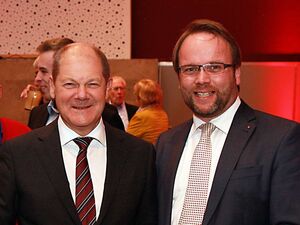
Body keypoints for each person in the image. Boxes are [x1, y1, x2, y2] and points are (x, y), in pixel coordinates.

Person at [155, 19, 300, 225]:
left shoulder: (282, 139)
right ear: (179, 77)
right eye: (190, 69)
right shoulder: (166, 144)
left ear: (237, 73)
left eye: (214, 67)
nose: (202, 79)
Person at [0, 43, 157, 224]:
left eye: (92, 84)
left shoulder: (140, 156)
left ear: (107, 87)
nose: (81, 95)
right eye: (69, 84)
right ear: (52, 87)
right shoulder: (18, 155)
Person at [25, 38, 124, 131]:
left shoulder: (107, 116)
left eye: (43, 71)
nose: (37, 79)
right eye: (36, 72)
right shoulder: (37, 113)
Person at [127, 79, 169, 144]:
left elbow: (127, 140)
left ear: (140, 97)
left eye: (136, 94)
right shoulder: (163, 113)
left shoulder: (141, 117)